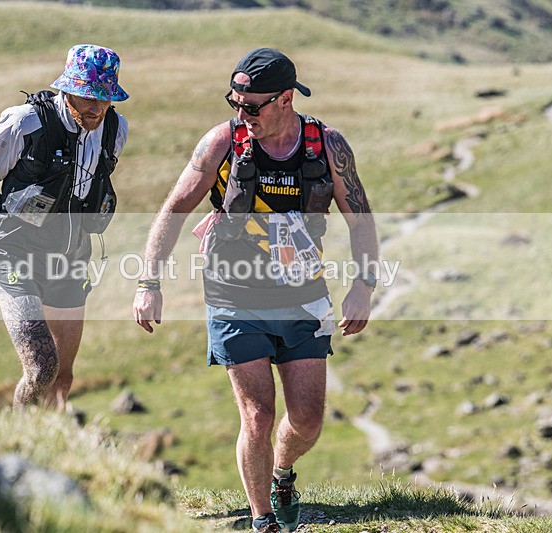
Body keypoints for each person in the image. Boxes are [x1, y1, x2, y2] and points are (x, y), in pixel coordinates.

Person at [132, 48, 378, 532]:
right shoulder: (222, 141)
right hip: (234, 295)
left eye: (252, 106)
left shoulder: (326, 146)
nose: (241, 114)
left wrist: (363, 285)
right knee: (258, 416)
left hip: (302, 295)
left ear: (286, 99)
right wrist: (148, 281)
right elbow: (175, 208)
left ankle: (282, 470)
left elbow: (361, 219)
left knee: (307, 420)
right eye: (235, 103)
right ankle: (264, 519)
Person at [0, 44, 129, 410]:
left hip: (70, 259)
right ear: (66, 90)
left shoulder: (116, 128)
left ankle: (48, 439)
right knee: (41, 369)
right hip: (14, 257)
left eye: (105, 99)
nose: (96, 108)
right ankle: (19, 434)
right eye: (88, 97)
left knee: (62, 380)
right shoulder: (24, 122)